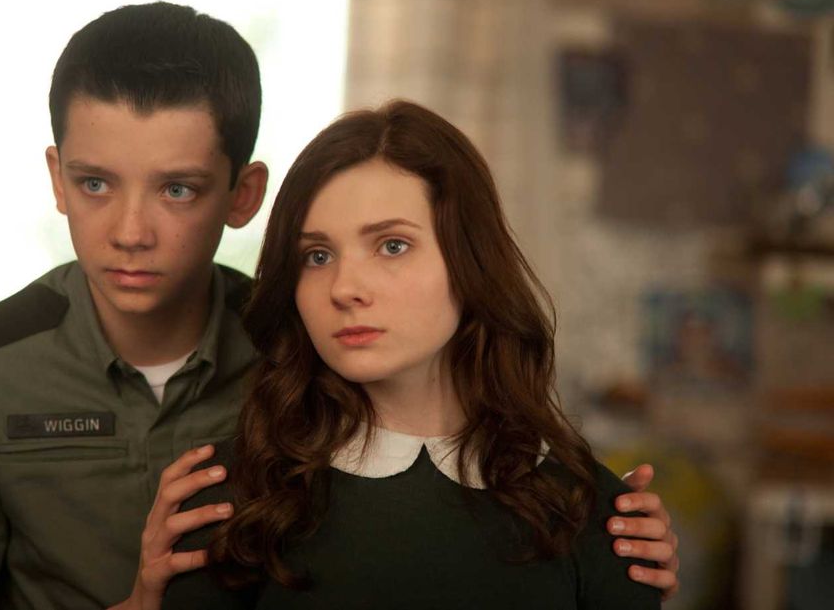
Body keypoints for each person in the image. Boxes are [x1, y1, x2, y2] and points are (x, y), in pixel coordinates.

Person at [0, 3, 677, 608]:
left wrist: (609, 532)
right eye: (95, 183)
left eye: (178, 188)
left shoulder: (310, 342)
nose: (130, 232)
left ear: (242, 194)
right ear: (57, 177)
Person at [150, 100, 665, 608]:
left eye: (392, 246)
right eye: (317, 255)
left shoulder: (597, 514)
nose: (344, 288)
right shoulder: (220, 502)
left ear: (470, 260)